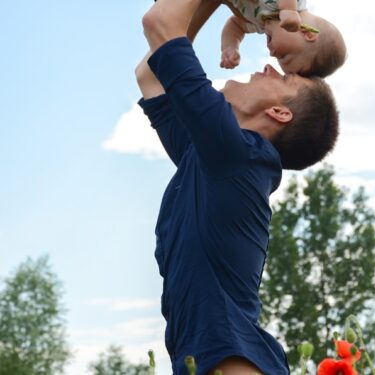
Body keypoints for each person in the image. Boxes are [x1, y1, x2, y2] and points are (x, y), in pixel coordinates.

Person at [136, 0, 339, 373]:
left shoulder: (236, 156)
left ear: (280, 113)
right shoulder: (212, 156)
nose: (266, 66)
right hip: (218, 356)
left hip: (229, 356)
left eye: (282, 78)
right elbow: (152, 73)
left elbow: (161, 21)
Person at [216, 0, 347, 77]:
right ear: (308, 33)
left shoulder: (261, 23)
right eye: (284, 56)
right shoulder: (294, 6)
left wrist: (230, 46)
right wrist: (288, 9)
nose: (272, 53)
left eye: (279, 59)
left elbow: (235, 24)